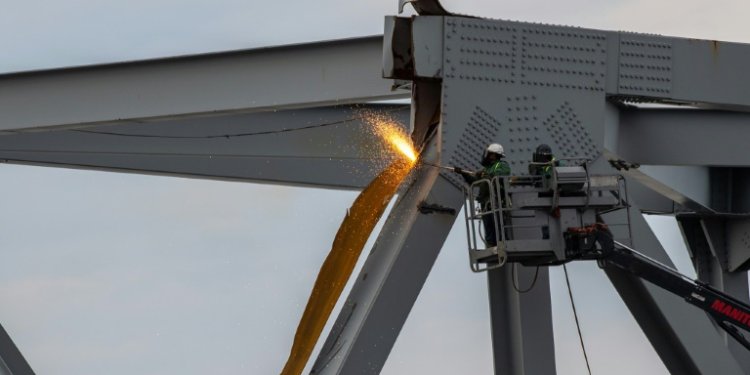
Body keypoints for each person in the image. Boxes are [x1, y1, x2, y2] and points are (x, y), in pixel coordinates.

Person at [454, 143, 511, 247]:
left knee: (498, 226)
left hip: (496, 201)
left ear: (494, 155)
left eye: (489, 153)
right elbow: (473, 181)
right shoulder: (485, 170)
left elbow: (501, 174)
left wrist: (487, 175)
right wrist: (463, 173)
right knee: (488, 227)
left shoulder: (502, 165)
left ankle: (503, 244)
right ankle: (492, 246)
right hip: (485, 203)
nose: (487, 155)